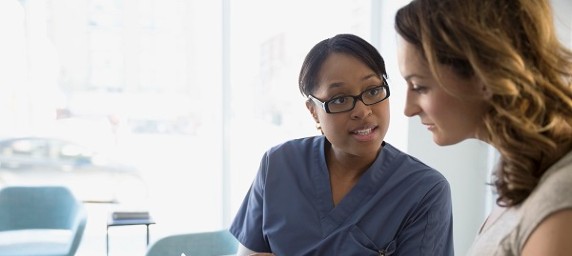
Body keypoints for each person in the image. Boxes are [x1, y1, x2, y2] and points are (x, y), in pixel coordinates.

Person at [229, 33, 454, 255]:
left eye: (373, 91)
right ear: (313, 112)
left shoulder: (424, 191)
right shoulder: (278, 164)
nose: (363, 111)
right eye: (339, 99)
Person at [394, 0, 572, 255]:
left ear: (485, 74)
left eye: (420, 86)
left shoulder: (560, 197)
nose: (408, 109)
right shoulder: (518, 170)